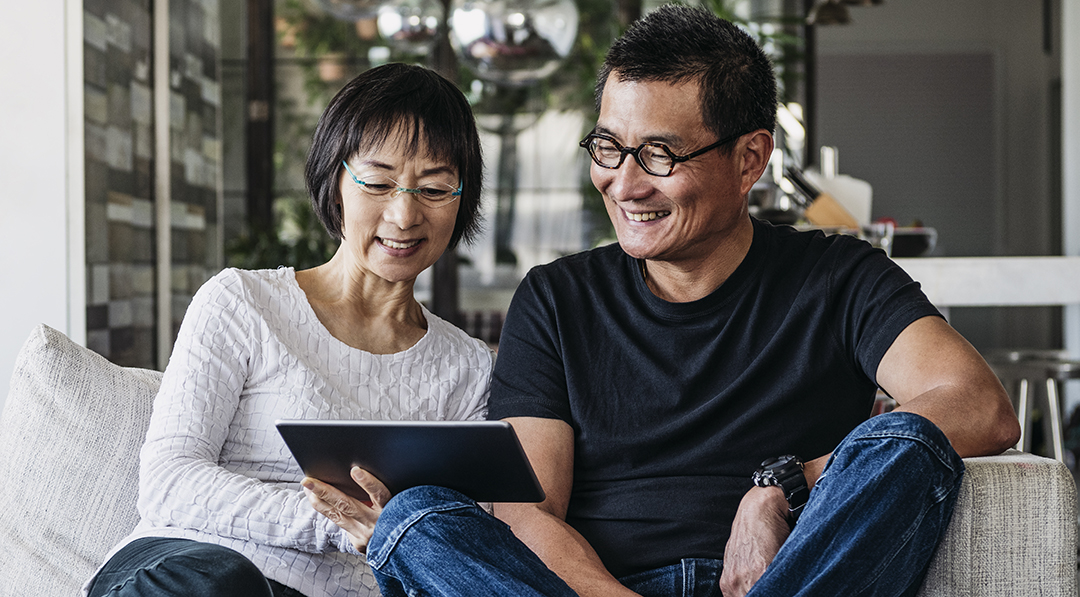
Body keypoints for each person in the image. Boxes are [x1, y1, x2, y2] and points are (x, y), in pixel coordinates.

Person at [303, 5, 1021, 597]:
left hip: (789, 581)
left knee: (903, 442)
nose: (624, 183)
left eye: (660, 155)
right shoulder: (557, 298)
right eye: (608, 147)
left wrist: (784, 487)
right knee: (418, 517)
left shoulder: (838, 275)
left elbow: (979, 407)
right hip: (597, 588)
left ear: (750, 159)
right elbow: (529, 512)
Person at [84, 63, 492, 597]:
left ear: (462, 198)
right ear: (336, 181)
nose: (403, 214)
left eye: (434, 188)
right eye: (378, 182)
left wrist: (398, 535)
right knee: (225, 583)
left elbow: (454, 534)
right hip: (189, 566)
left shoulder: (467, 367)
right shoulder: (242, 302)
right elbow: (169, 480)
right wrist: (342, 524)